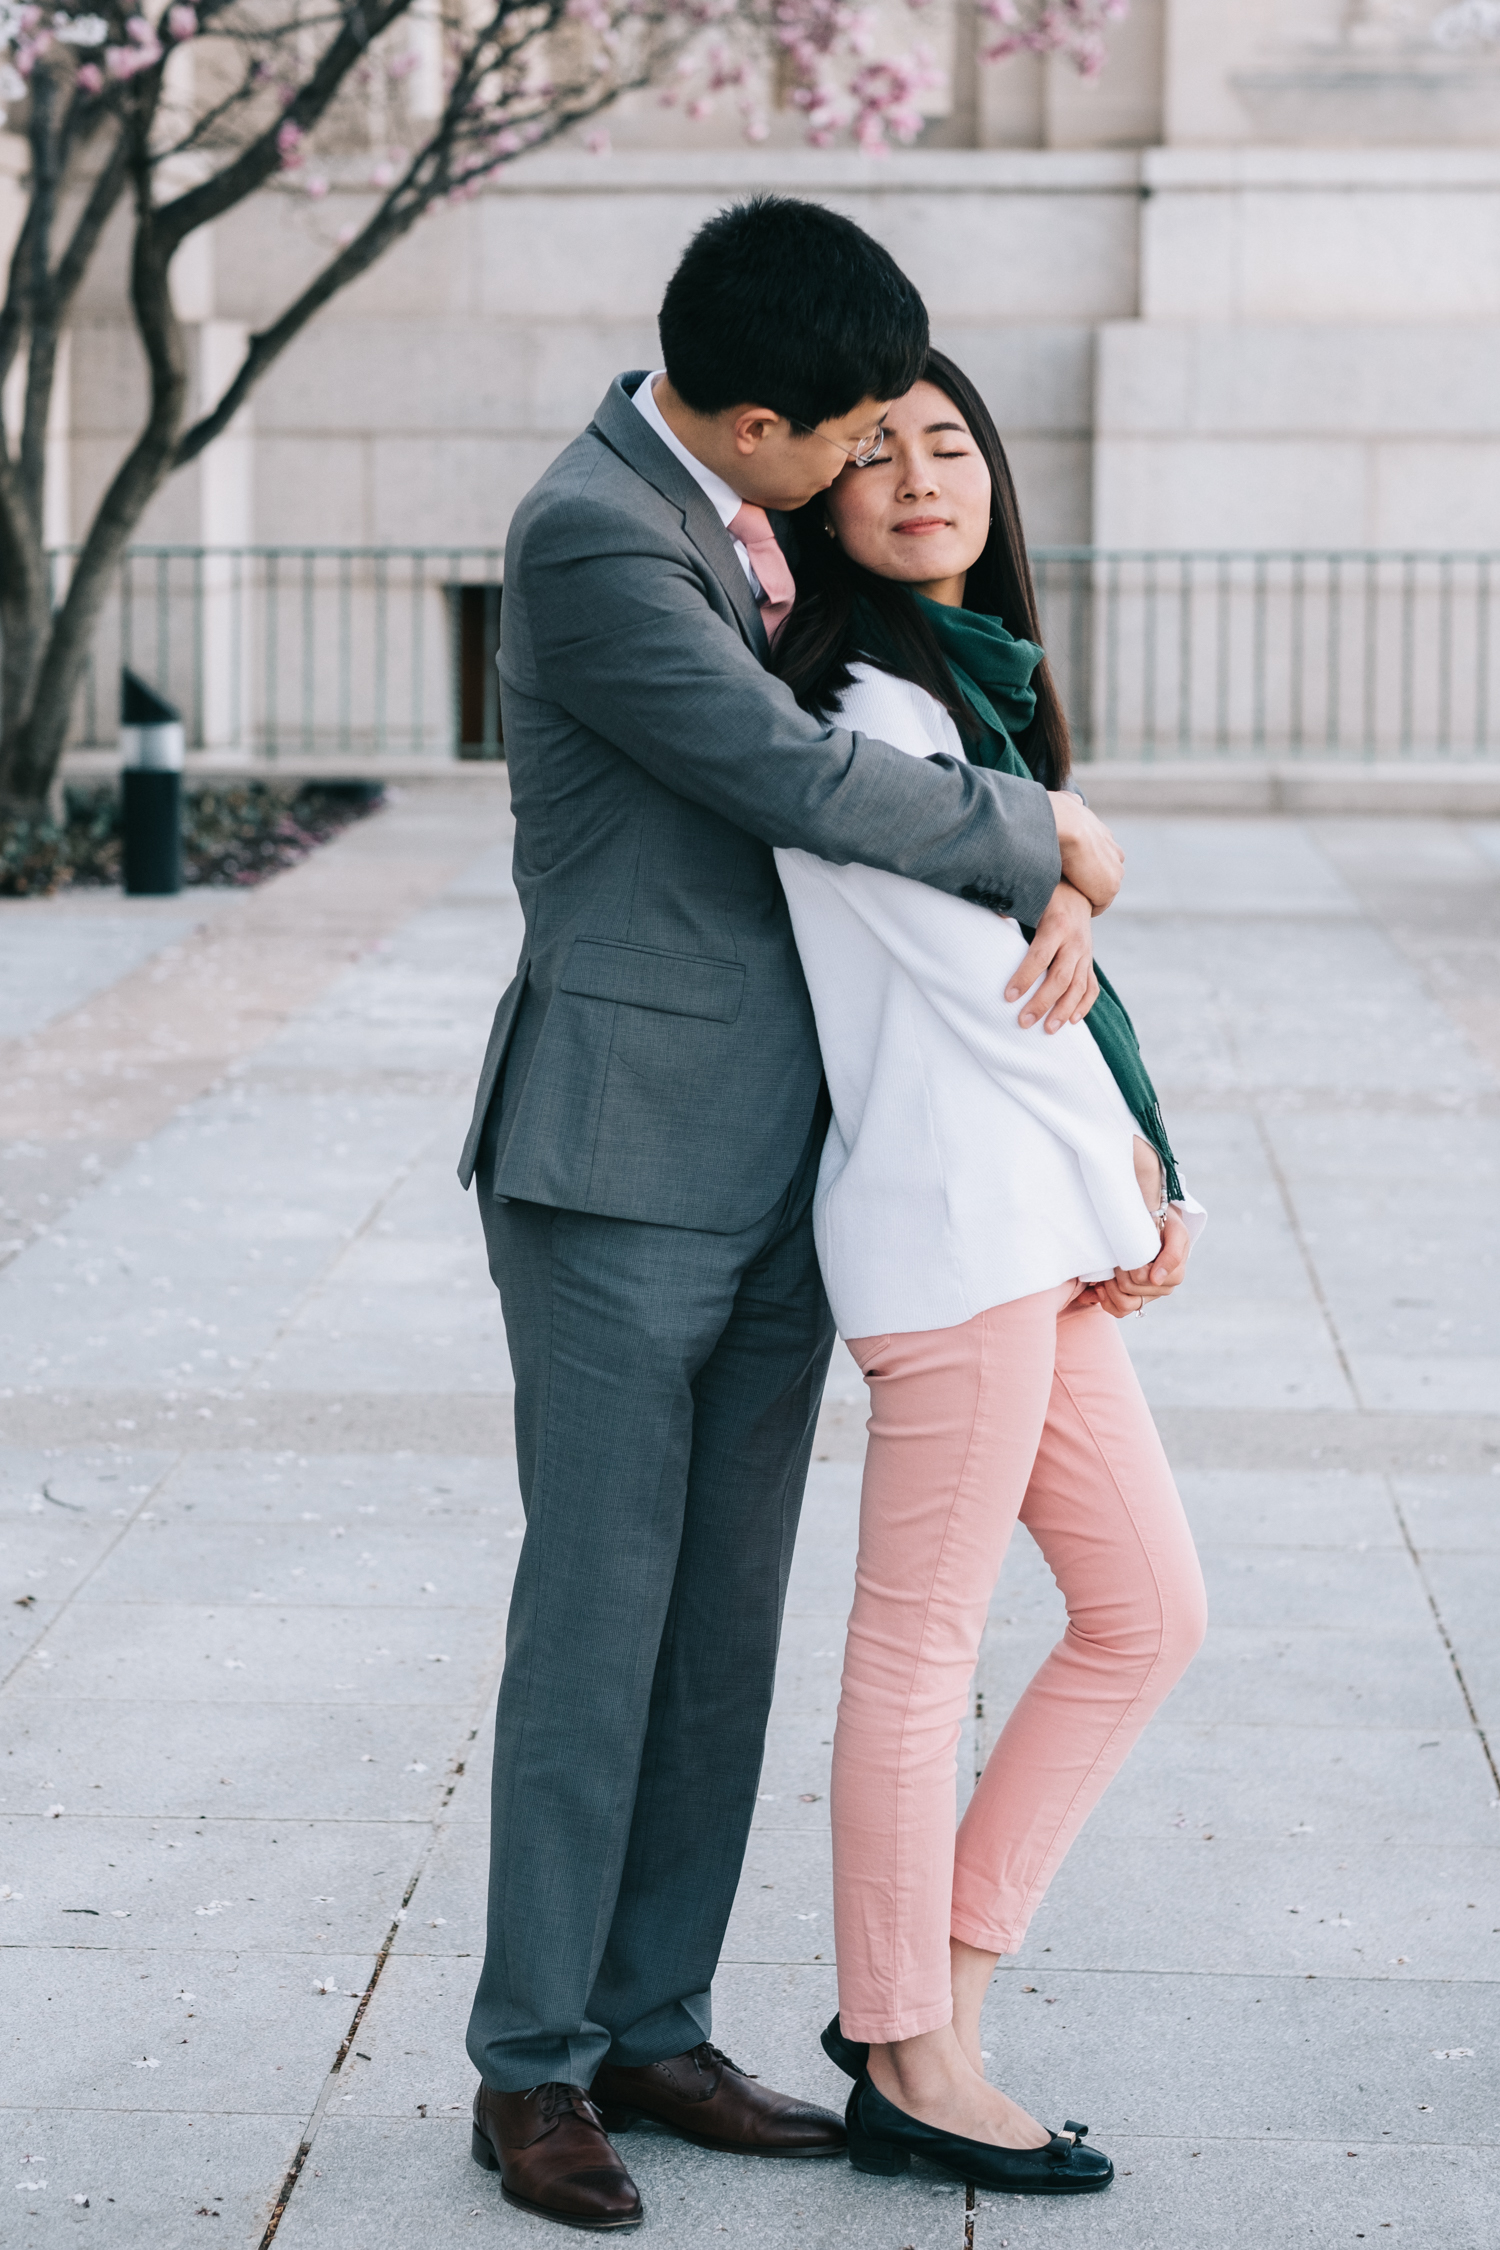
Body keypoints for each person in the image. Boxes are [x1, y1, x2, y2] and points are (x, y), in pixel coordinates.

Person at [458, 201, 1127, 2232]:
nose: (869, 465)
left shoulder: (733, 513)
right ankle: (535, 2073)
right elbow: (783, 770)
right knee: (596, 1628)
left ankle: (657, 2019)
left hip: (786, 1171)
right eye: (840, 435)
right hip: (616, 1160)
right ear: (746, 422)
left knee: (718, 1629)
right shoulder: (594, 529)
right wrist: (1053, 837)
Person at [769, 349, 1210, 2197]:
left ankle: (921, 1993)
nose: (919, 474)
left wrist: (1080, 891)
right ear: (826, 503)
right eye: (873, 453)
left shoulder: (982, 702)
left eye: (947, 442)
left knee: (1146, 1611)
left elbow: (1047, 943)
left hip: (1027, 1236)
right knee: (919, 1638)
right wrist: (1128, 1178)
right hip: (957, 1235)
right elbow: (996, 981)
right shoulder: (861, 703)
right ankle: (917, 2053)